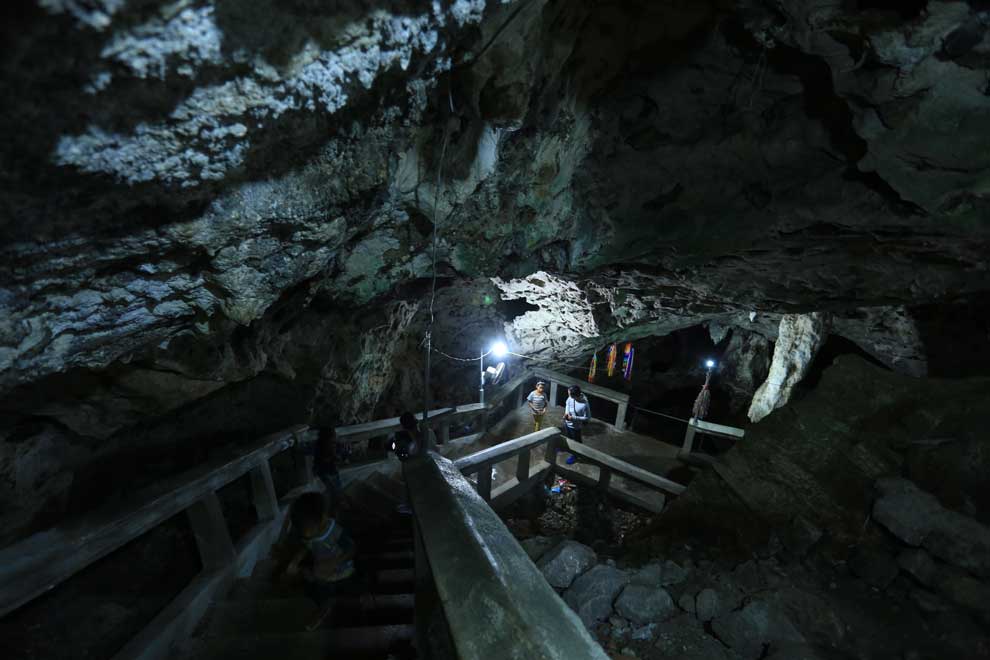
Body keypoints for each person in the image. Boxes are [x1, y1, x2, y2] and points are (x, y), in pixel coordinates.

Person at [284, 492, 357, 631]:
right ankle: (324, 603)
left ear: (321, 519)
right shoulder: (310, 533)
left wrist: (336, 562)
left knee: (325, 590)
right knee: (311, 579)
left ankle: (325, 608)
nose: (304, 534)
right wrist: (295, 560)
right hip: (322, 568)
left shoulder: (334, 531)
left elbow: (352, 549)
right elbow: (307, 545)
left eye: (306, 529)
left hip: (341, 570)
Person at [314, 426, 342, 509]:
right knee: (333, 490)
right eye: (334, 435)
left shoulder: (333, 445)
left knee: (335, 489)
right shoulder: (321, 447)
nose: (335, 436)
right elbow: (322, 460)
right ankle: (333, 508)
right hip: (325, 472)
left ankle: (334, 506)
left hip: (331, 471)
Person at [563, 385, 591, 465]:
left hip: (576, 427)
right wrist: (566, 413)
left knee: (576, 442)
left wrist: (573, 418)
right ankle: (565, 447)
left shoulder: (584, 404)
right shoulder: (570, 398)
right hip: (567, 422)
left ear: (574, 395)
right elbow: (567, 403)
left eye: (569, 394)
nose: (568, 395)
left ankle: (575, 455)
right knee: (568, 437)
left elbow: (587, 418)